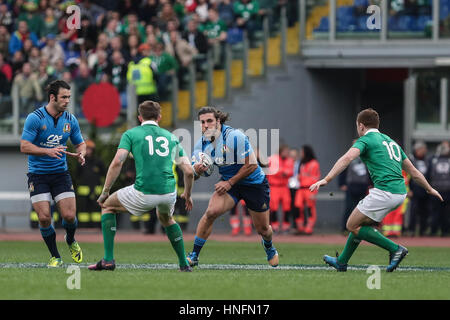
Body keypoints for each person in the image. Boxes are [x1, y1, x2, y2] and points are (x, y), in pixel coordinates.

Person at [310, 108, 443, 272]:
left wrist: (326, 179)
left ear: (361, 126)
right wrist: (429, 189)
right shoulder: (390, 141)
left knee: (351, 225)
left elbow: (347, 158)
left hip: (385, 192)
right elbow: (414, 172)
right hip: (400, 193)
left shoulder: (366, 140)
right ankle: (342, 262)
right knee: (360, 224)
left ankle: (395, 249)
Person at [88, 100, 194, 272]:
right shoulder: (171, 137)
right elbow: (189, 172)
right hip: (168, 193)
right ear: (159, 117)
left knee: (107, 207)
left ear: (139, 117)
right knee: (166, 219)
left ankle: (108, 260)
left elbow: (117, 163)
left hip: (144, 192)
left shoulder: (131, 134)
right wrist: (187, 195)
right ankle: (183, 263)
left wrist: (105, 191)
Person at [186, 106, 278, 268]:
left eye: (210, 121)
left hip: (254, 184)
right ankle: (194, 255)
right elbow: (194, 174)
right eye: (202, 122)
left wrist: (229, 183)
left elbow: (251, 164)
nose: (206, 125)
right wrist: (198, 171)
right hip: (231, 185)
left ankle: (269, 247)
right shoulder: (201, 145)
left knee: (263, 229)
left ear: (218, 121)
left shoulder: (235, 136)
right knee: (211, 212)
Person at [20, 80, 86, 268]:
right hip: (38, 175)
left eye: (69, 97)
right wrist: (46, 151)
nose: (67, 101)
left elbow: (80, 143)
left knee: (69, 216)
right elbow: (24, 146)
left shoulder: (70, 120)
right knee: (44, 218)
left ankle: (71, 240)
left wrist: (82, 153)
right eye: (64, 97)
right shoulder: (35, 118)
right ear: (52, 97)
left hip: (60, 174)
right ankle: (55, 256)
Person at [338, 139, 371, 233]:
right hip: (351, 186)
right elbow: (342, 169)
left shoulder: (366, 157)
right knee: (349, 207)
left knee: (363, 209)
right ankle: (345, 228)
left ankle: (361, 228)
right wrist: (342, 184)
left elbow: (370, 172)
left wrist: (371, 184)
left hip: (363, 186)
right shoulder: (349, 157)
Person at [267, 144, 294, 233]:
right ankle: (274, 226)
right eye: (285, 151)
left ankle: (286, 227)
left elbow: (291, 172)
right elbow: (271, 171)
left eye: (287, 152)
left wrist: (281, 171)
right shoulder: (273, 159)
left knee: (287, 207)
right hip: (274, 186)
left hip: (284, 187)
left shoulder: (289, 160)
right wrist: (283, 171)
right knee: (274, 207)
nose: (287, 153)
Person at [294, 145, 320, 235]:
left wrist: (315, 192)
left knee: (310, 209)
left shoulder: (314, 163)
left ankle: (309, 228)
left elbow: (316, 178)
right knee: (298, 207)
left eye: (302, 151)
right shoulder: (302, 163)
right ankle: (300, 227)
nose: (301, 153)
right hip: (301, 189)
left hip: (310, 189)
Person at [406, 141, 430, 236]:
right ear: (418, 150)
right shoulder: (410, 160)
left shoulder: (427, 160)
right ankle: (411, 230)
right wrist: (408, 189)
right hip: (414, 190)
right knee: (413, 211)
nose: (425, 151)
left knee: (424, 211)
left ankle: (423, 230)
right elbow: (406, 177)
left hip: (425, 190)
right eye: (423, 149)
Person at [428, 141, 450, 237]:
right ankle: (445, 231)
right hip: (447, 191)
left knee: (435, 213)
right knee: (446, 213)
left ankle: (433, 231)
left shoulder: (433, 160)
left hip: (435, 191)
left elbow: (428, 175)